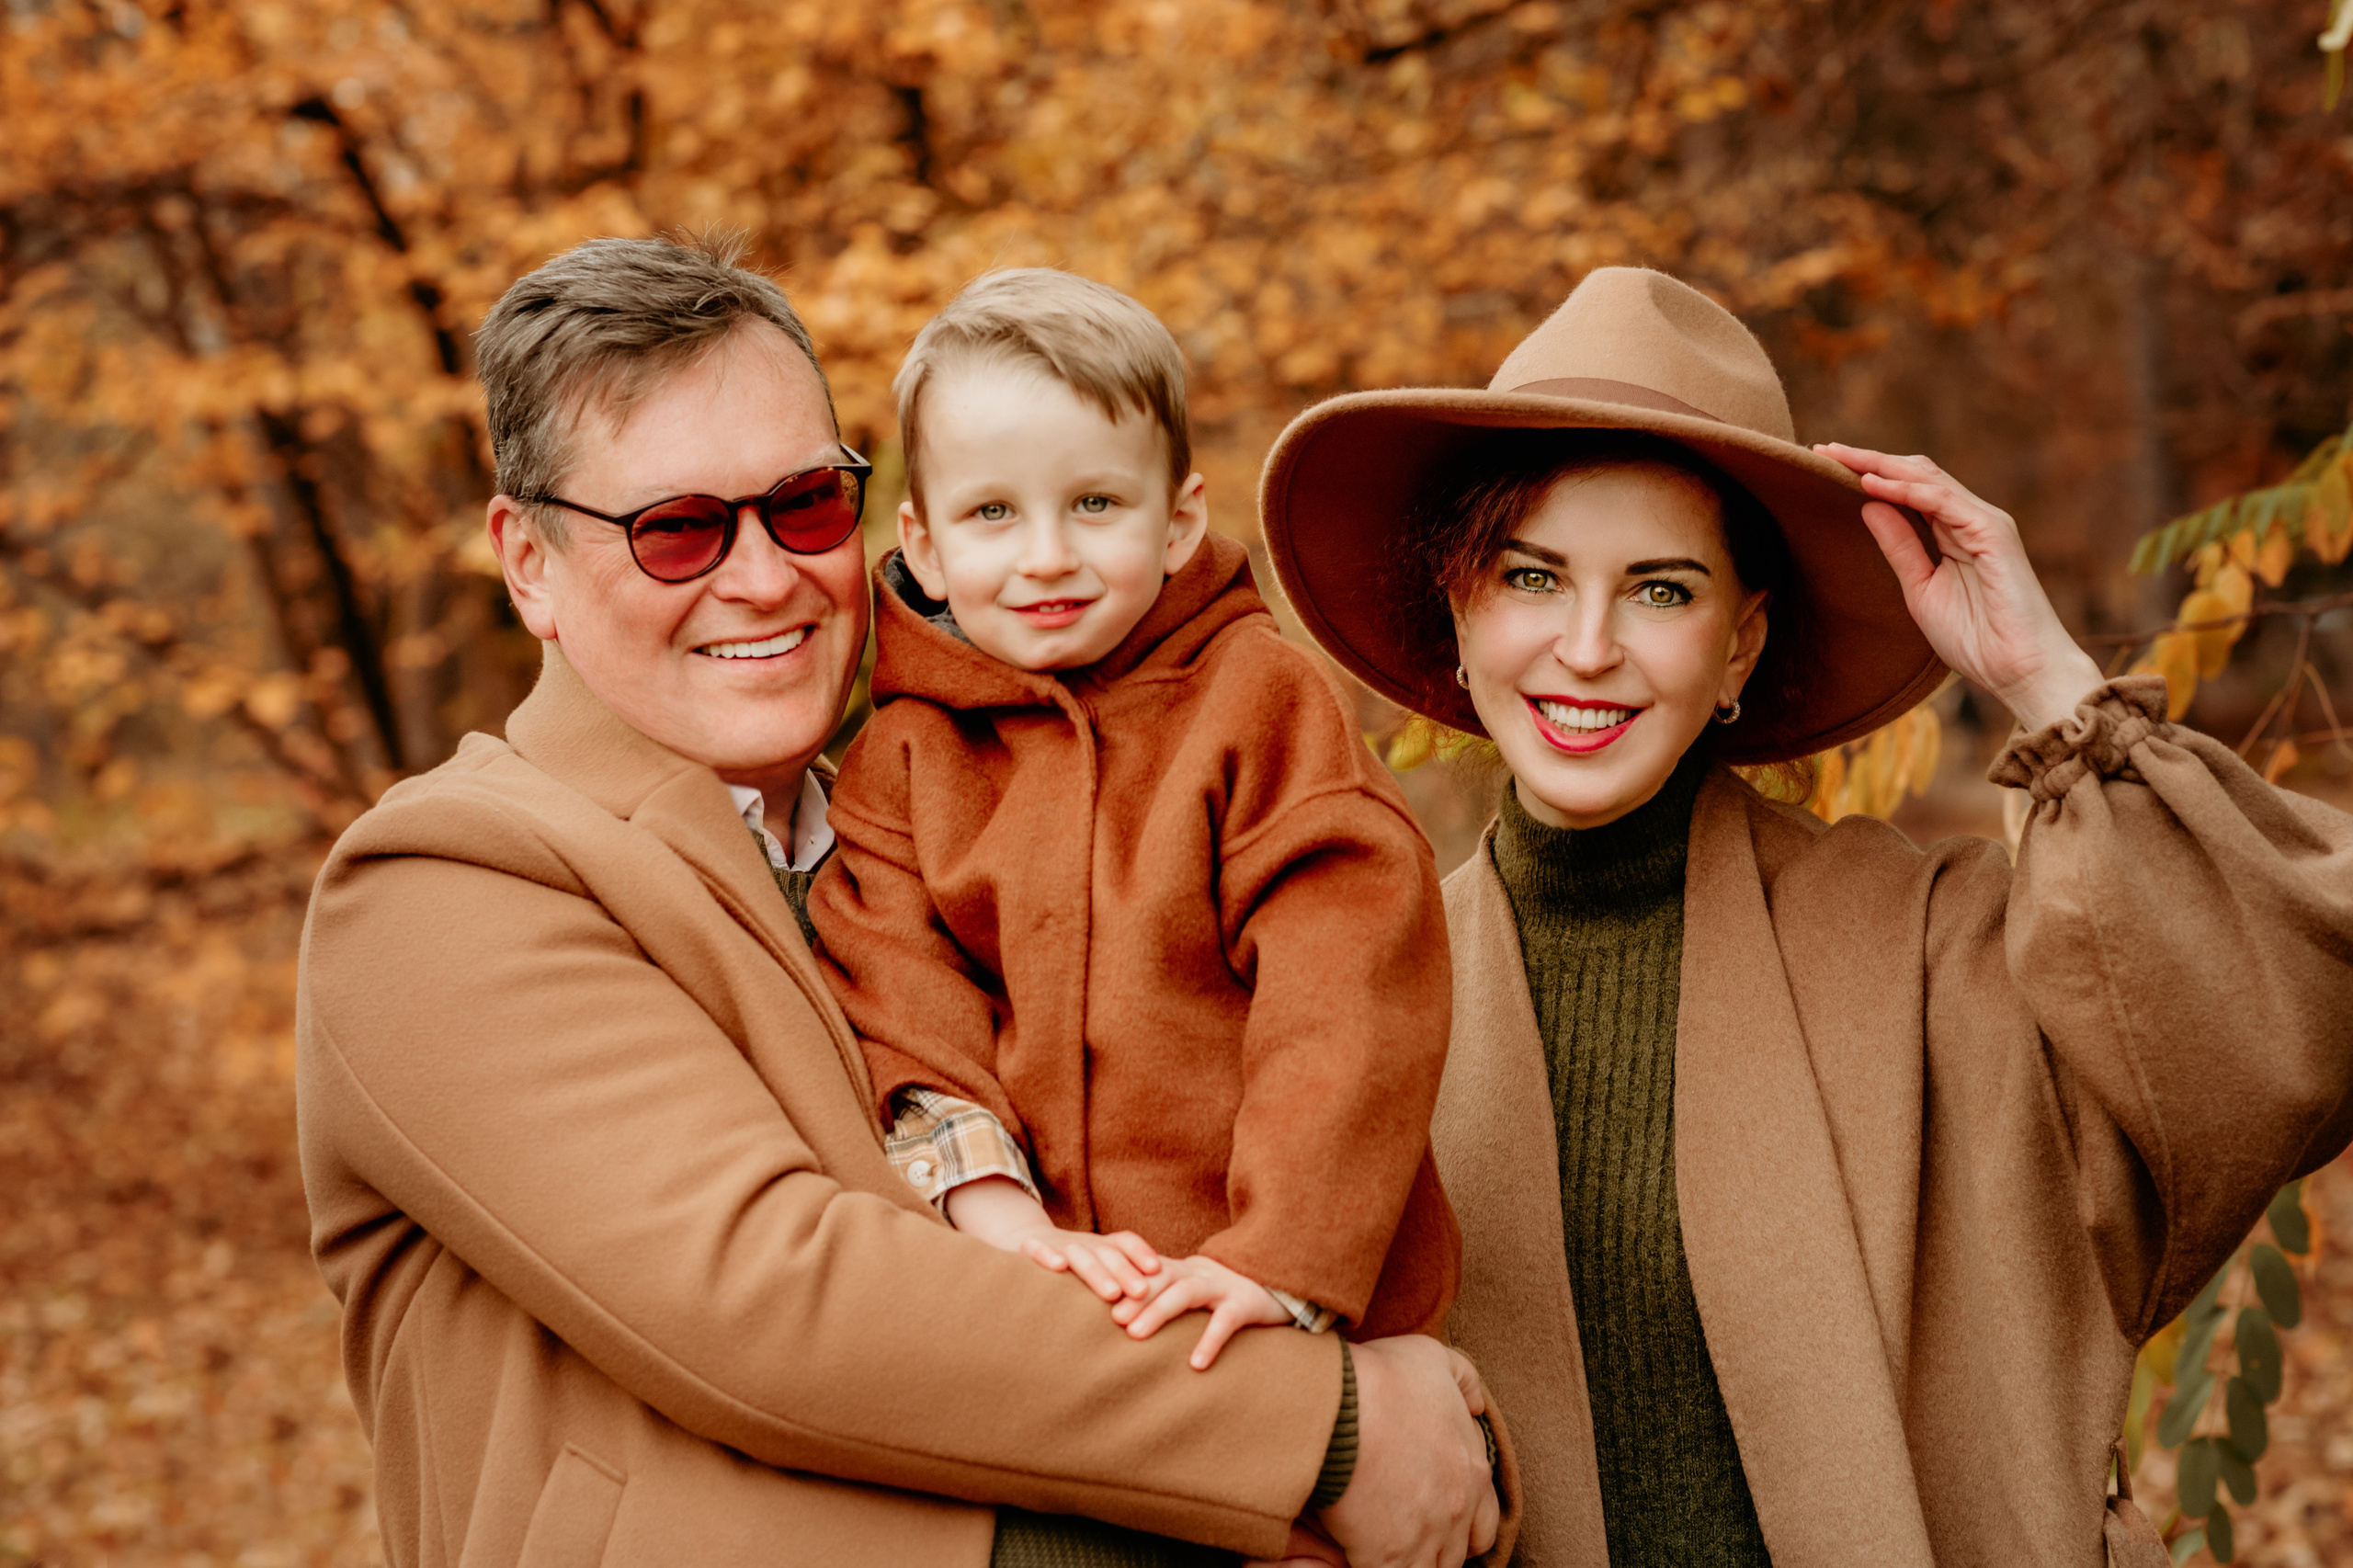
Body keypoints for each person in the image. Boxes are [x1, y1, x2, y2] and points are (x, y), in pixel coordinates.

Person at [293, 233, 1505, 1568]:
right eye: (678, 527)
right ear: (527, 562)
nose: (762, 577)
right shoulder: (445, 881)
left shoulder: (932, 816)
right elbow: (776, 1302)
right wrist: (1332, 1429)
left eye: (806, 504)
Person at [1256, 266, 2353, 1567]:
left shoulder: (1938, 949)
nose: (1590, 646)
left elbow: (2289, 1017)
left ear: (1739, 645)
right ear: (1458, 605)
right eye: (1533, 576)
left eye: (1661, 590)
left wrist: (2048, 684)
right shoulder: (1363, 986)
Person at [809, 268, 1459, 1377]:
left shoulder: (1259, 702)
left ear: (1179, 520)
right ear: (921, 544)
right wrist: (1000, 1218)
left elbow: (1346, 991)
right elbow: (902, 1004)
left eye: (1095, 503)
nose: (1048, 554)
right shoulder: (899, 761)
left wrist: (1279, 1257)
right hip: (1041, 1307)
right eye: (992, 512)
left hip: (1283, 1300)